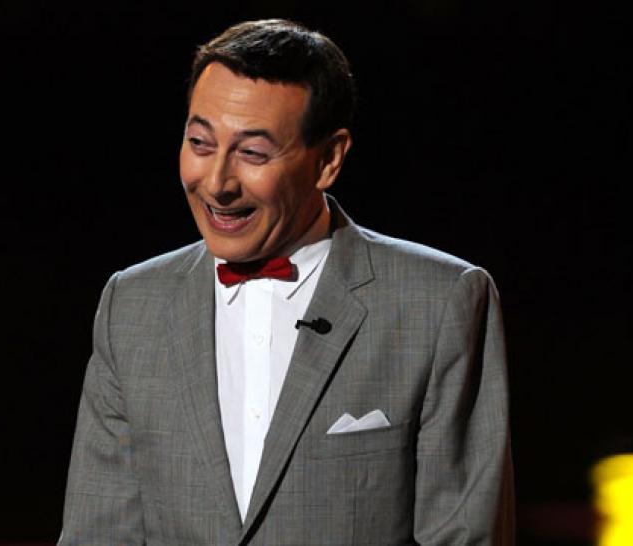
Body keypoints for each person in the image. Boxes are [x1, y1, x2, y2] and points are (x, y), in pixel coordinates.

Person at [58, 19, 513, 545]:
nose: (217, 183)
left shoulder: (439, 302)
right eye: (200, 143)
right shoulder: (131, 305)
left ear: (328, 160)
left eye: (252, 153)